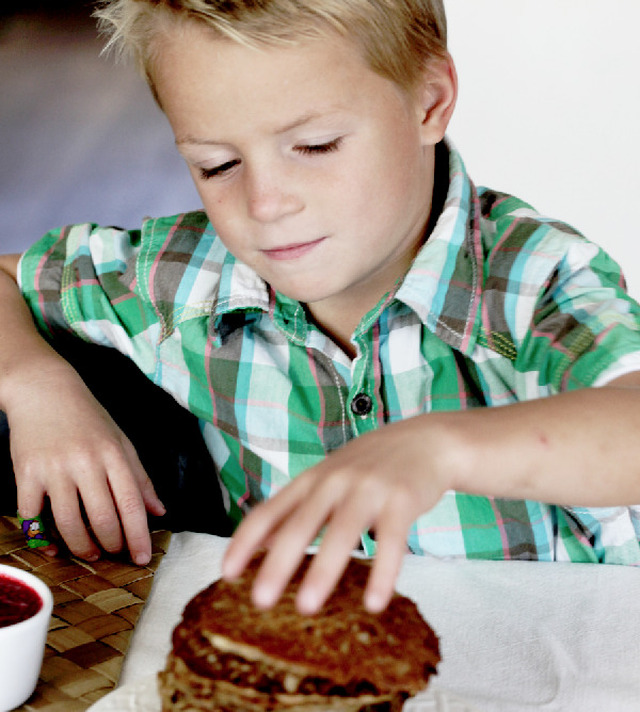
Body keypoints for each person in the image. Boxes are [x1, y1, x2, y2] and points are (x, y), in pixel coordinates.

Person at [1, 0, 640, 616]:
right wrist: (35, 385)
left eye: (316, 145)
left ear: (430, 101)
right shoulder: (180, 279)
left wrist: (441, 449)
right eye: (217, 164)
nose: (266, 203)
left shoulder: (535, 278)